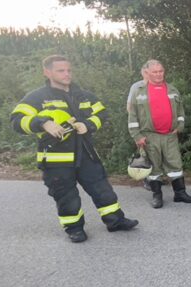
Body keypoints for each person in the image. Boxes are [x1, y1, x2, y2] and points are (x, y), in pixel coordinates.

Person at [10, 55, 138, 243]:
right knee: (66, 196)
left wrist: (89, 124)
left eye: (69, 70)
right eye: (61, 70)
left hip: (86, 154)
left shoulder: (83, 95)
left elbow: (102, 114)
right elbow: (16, 121)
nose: (67, 74)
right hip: (56, 159)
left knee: (102, 189)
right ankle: (74, 228)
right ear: (47, 72)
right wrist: (43, 123)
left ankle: (115, 220)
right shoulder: (37, 97)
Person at [128, 60, 191, 208]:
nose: (158, 74)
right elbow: (132, 116)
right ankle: (157, 196)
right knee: (155, 168)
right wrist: (137, 136)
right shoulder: (139, 91)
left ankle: (180, 194)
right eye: (155, 72)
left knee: (175, 164)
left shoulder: (172, 90)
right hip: (149, 136)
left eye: (161, 71)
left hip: (170, 135)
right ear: (148, 73)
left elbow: (180, 111)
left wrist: (180, 126)